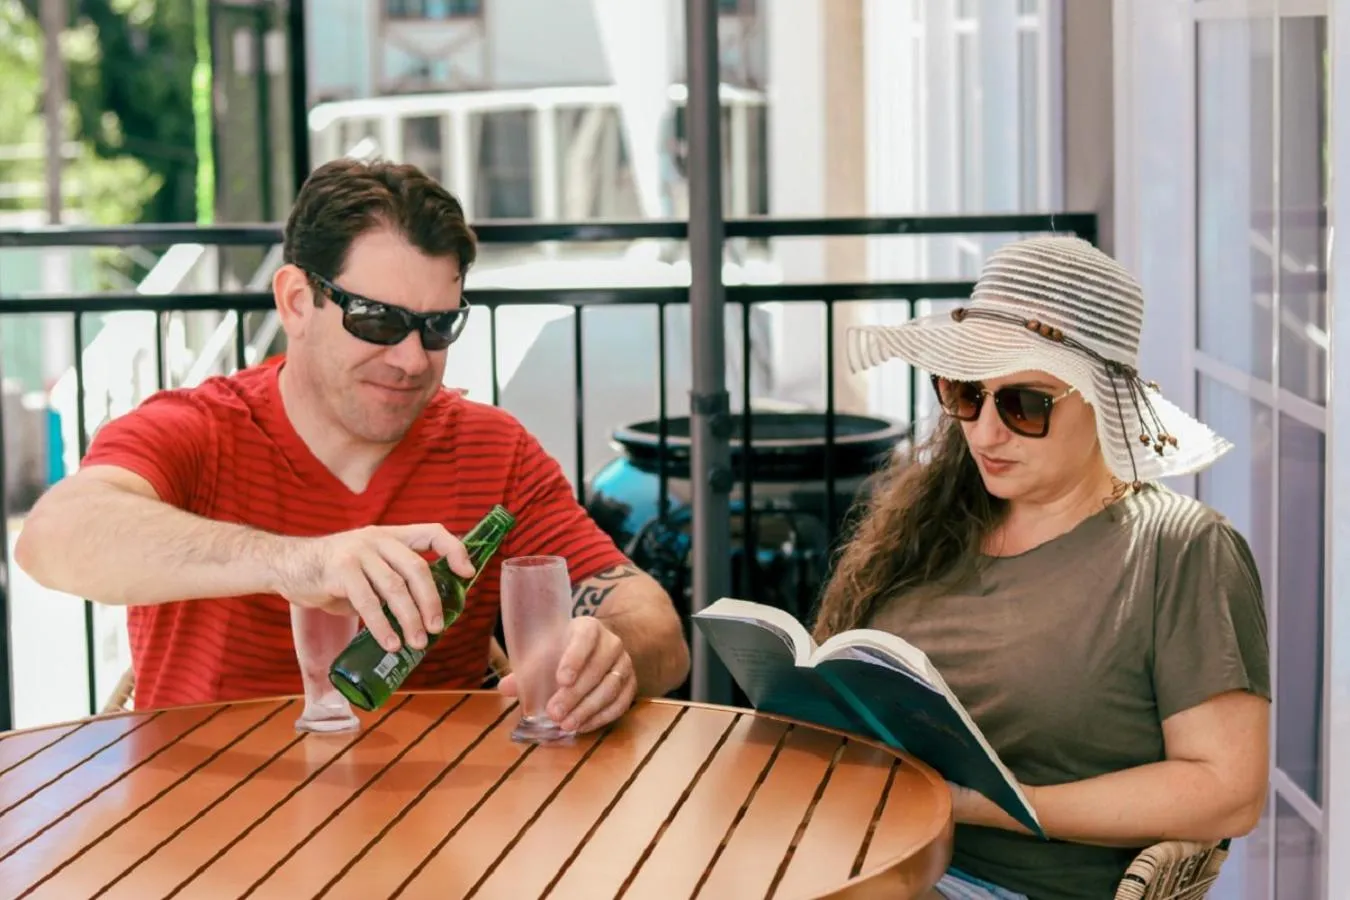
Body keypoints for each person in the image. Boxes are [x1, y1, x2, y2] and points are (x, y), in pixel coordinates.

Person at [14, 158, 690, 735]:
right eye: (376, 320)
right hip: (203, 826)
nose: (410, 359)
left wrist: (612, 653)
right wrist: (295, 563)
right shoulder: (200, 429)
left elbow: (652, 620)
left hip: (435, 832)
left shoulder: (492, 449)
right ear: (297, 301)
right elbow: (51, 538)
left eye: (437, 327)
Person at [815, 236, 1270, 900]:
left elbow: (1226, 793)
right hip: (866, 849)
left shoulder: (1178, 549)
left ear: (1105, 403)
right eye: (966, 394)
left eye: (1023, 405)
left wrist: (995, 804)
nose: (985, 432)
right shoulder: (937, 520)